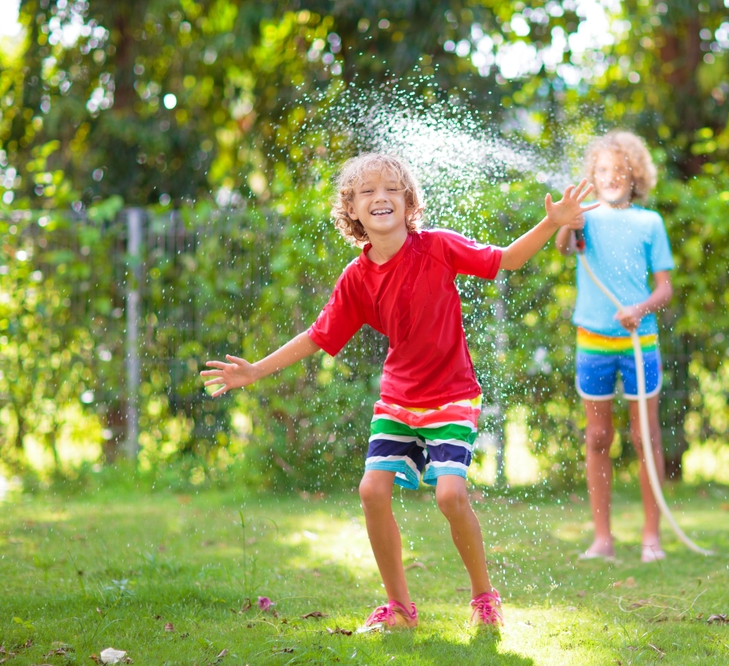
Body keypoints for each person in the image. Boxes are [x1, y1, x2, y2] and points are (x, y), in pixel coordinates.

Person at [201, 153, 596, 630]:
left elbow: (506, 259)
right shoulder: (357, 278)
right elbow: (317, 336)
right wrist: (256, 370)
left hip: (452, 397)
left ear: (409, 202)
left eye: (391, 189)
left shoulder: (438, 247)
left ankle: (484, 596)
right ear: (353, 210)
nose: (380, 197)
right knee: (372, 489)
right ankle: (400, 609)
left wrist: (548, 223)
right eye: (366, 192)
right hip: (398, 401)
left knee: (450, 496)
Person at [555, 131, 674, 563]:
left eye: (619, 170)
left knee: (645, 437)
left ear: (635, 175)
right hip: (593, 343)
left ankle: (650, 537)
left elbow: (664, 289)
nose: (610, 177)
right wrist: (567, 223)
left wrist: (640, 308)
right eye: (602, 170)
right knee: (599, 437)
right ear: (592, 175)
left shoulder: (650, 223)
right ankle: (602, 540)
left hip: (638, 342)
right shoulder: (583, 217)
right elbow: (564, 247)